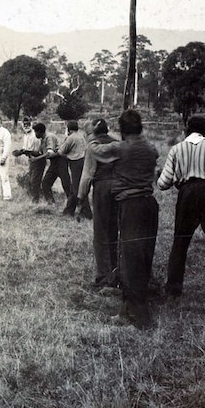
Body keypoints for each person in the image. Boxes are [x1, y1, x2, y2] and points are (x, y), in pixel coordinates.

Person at [88, 109, 159, 329]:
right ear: (140, 128)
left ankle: (140, 316)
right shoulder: (151, 148)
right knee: (143, 256)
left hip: (131, 206)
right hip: (149, 204)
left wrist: (91, 134)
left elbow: (96, 151)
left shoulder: (120, 148)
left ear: (122, 129)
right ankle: (130, 308)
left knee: (130, 260)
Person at [157, 116, 205, 312]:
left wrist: (178, 180)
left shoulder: (176, 149)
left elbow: (163, 183)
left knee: (180, 243)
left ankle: (173, 292)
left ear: (186, 130)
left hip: (187, 193)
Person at [77, 118, 119, 290]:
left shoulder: (93, 147)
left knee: (100, 232)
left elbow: (87, 175)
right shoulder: (117, 144)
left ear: (93, 133)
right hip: (118, 187)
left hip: (102, 188)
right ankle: (116, 270)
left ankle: (103, 276)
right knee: (114, 230)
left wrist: (80, 199)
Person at [30, 123, 72, 206]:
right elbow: (40, 153)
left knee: (66, 183)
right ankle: (51, 203)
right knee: (46, 183)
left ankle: (72, 203)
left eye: (35, 132)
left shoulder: (50, 137)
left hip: (60, 161)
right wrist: (26, 152)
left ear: (40, 131)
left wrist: (35, 159)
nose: (35, 134)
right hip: (53, 163)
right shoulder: (42, 140)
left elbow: (49, 153)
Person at [57, 120, 91, 218]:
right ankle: (68, 211)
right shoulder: (81, 136)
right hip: (83, 161)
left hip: (75, 163)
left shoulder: (70, 138)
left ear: (69, 129)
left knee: (77, 189)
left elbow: (61, 151)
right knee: (73, 187)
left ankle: (86, 213)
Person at [12, 116, 43, 201]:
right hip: (31, 160)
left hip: (38, 160)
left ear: (31, 123)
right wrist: (19, 152)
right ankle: (35, 198)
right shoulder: (26, 135)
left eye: (28, 124)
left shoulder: (35, 135)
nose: (26, 126)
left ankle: (36, 200)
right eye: (24, 124)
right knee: (31, 180)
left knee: (34, 181)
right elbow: (26, 148)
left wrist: (23, 152)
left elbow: (37, 152)